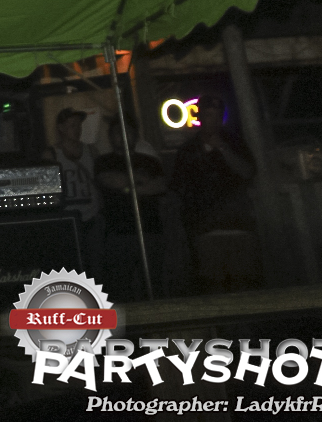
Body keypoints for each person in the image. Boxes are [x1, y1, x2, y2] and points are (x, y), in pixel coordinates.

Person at [169, 94, 259, 292]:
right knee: (213, 286)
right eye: (209, 115)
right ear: (201, 117)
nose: (214, 120)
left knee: (243, 284)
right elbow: (178, 188)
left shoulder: (235, 143)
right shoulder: (188, 150)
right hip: (206, 229)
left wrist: (224, 149)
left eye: (218, 115)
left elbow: (248, 172)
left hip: (238, 225)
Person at [94, 119, 167, 300]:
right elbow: (109, 180)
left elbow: (159, 186)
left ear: (135, 135)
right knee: (120, 286)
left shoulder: (150, 161)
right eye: (118, 132)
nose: (123, 136)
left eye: (127, 131)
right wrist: (138, 180)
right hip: (118, 233)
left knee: (153, 284)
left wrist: (128, 189)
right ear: (111, 137)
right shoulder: (104, 161)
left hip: (150, 230)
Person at [53, 107, 104, 278]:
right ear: (61, 128)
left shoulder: (91, 151)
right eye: (72, 125)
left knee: (96, 265)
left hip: (91, 215)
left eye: (78, 125)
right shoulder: (52, 154)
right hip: (66, 218)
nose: (77, 129)